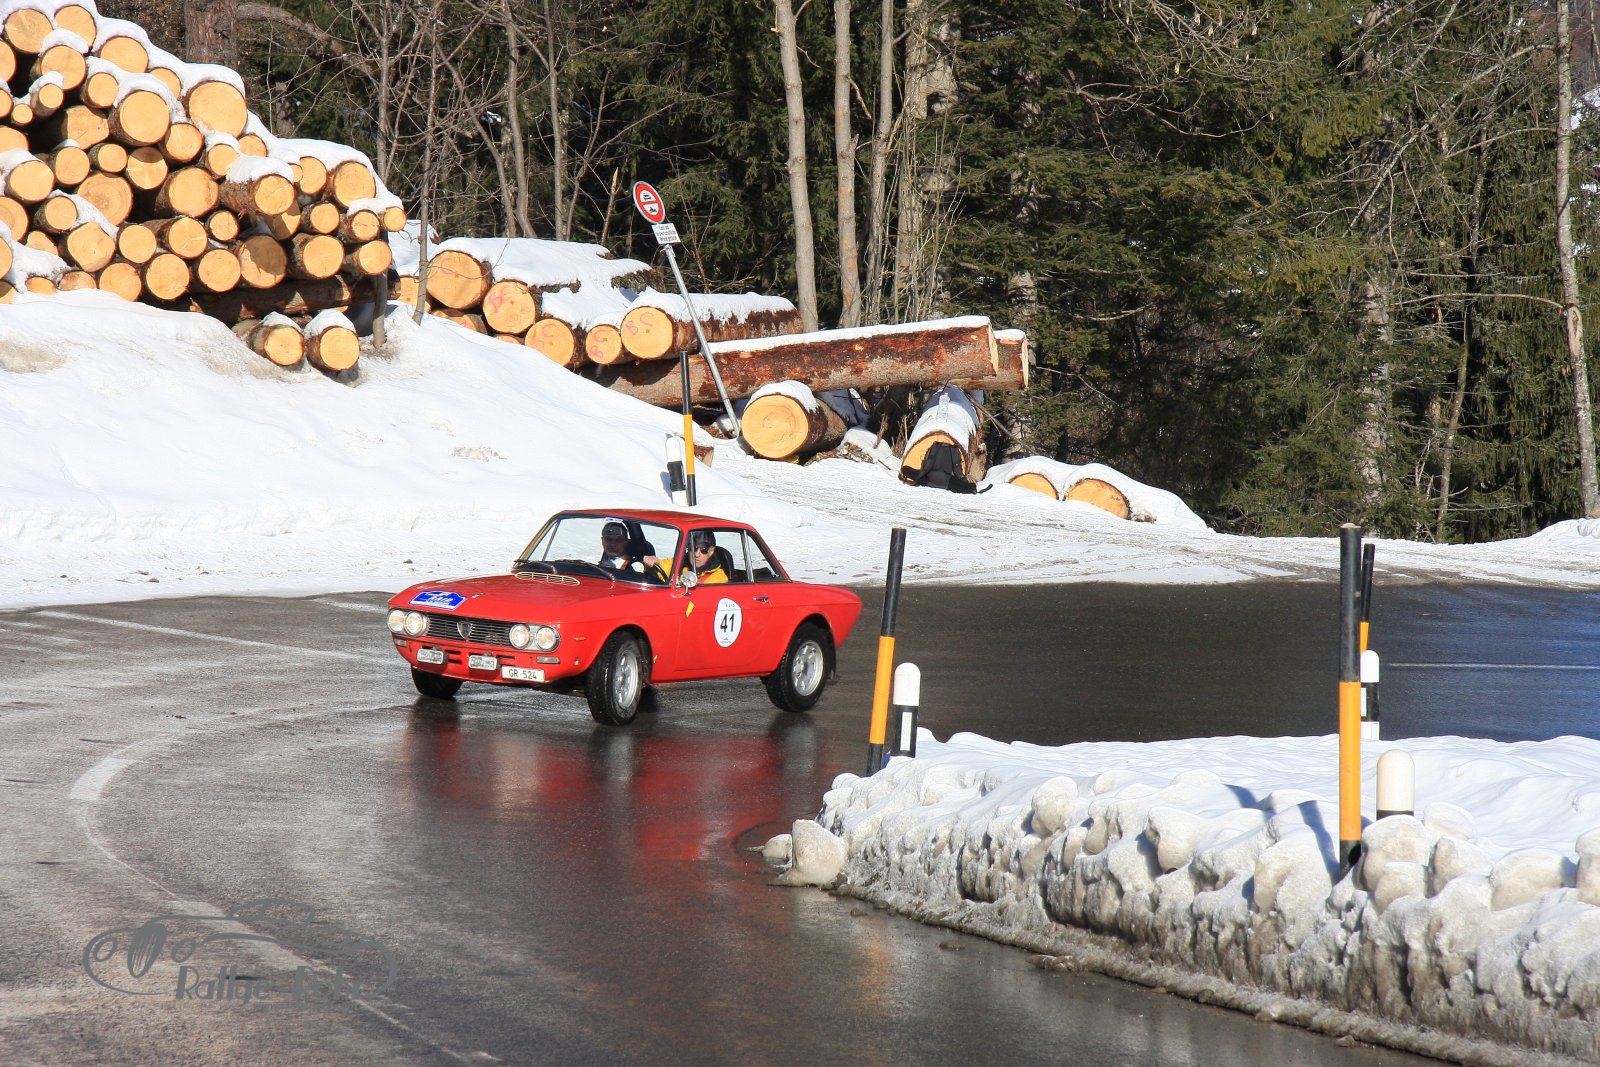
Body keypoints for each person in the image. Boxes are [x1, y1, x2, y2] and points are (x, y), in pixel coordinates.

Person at [598, 520, 664, 580]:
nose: (613, 544)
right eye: (608, 539)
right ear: (602, 541)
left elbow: (652, 570)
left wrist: (652, 561)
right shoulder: (603, 558)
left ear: (626, 542)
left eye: (618, 540)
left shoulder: (637, 565)